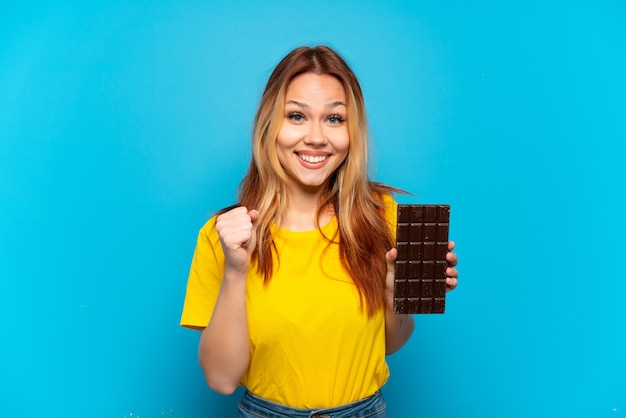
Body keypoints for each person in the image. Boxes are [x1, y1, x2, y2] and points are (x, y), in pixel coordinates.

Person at [180, 45, 459, 418]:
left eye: (334, 119)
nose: (316, 137)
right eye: (296, 116)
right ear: (269, 124)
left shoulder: (383, 218)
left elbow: (391, 344)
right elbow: (221, 380)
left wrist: (396, 294)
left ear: (352, 129)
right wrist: (235, 270)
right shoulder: (225, 235)